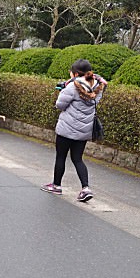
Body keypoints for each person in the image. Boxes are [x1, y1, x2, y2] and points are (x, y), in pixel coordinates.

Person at [41, 59, 106, 201]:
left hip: (66, 130)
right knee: (77, 159)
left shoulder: (72, 87)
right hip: (83, 131)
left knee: (61, 157)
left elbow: (59, 105)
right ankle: (85, 188)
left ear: (75, 73)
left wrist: (64, 89)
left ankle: (56, 186)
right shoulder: (97, 88)